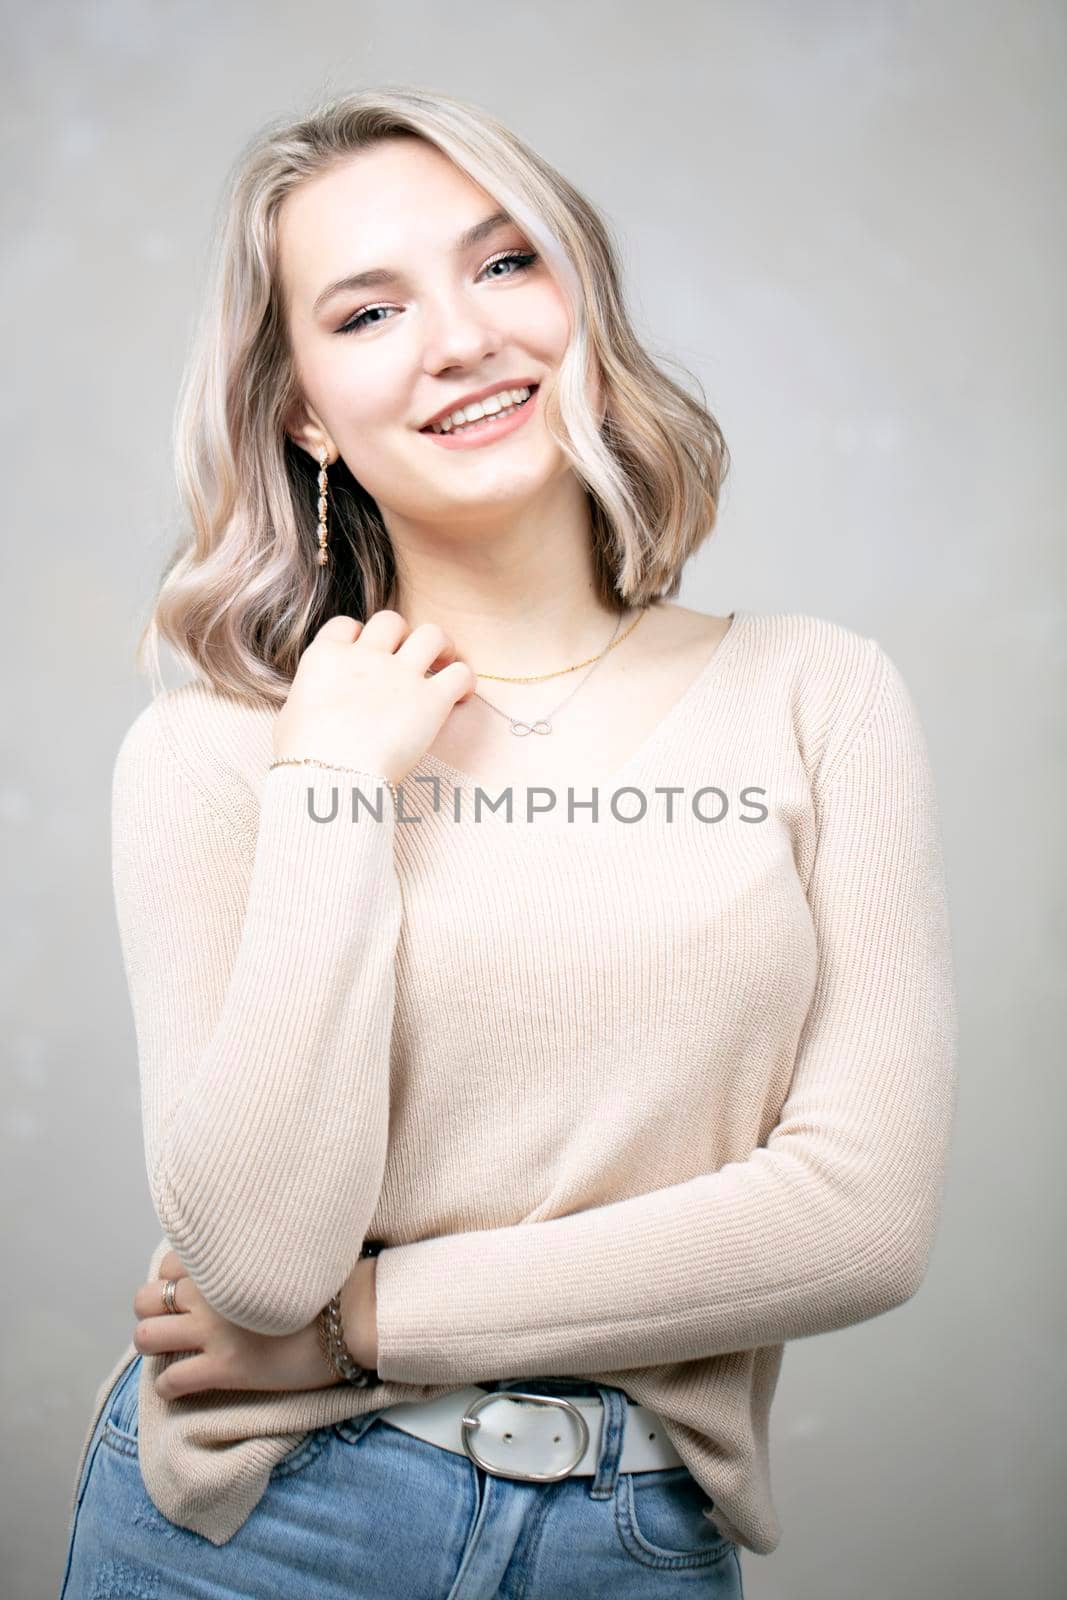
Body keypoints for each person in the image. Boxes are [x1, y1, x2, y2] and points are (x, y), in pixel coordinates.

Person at [59, 85, 958, 1600]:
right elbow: (260, 1267)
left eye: (502, 265)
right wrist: (333, 785)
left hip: (634, 1540)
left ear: (580, 299)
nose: (461, 339)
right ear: (300, 410)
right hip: (253, 1543)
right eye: (366, 312)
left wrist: (365, 1327)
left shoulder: (818, 695)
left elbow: (860, 1220)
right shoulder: (218, 754)